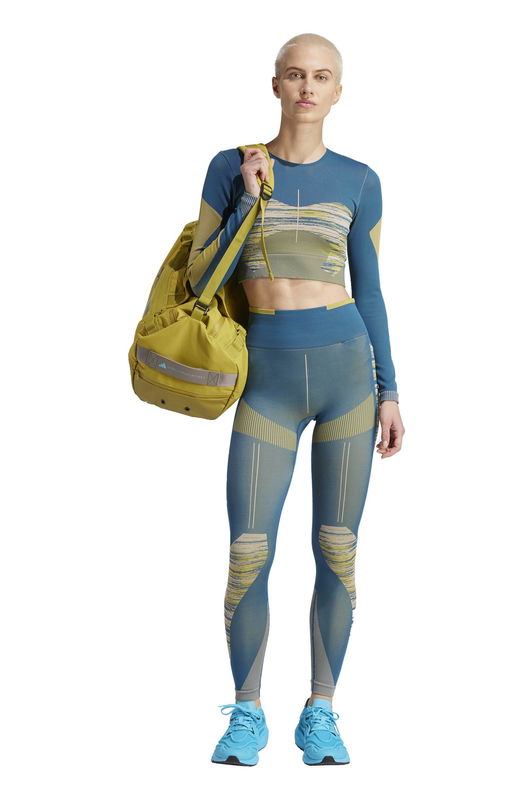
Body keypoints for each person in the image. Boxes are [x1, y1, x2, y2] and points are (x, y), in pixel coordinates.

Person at [186, 33, 405, 766]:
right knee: (248, 549)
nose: (308, 87)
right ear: (276, 84)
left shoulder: (361, 180)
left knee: (337, 550)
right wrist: (249, 200)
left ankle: (321, 711)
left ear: (338, 92)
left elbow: (371, 292)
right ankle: (247, 713)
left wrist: (390, 391)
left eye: (322, 76)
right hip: (268, 382)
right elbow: (200, 282)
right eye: (295, 74)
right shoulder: (232, 166)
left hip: (347, 373)